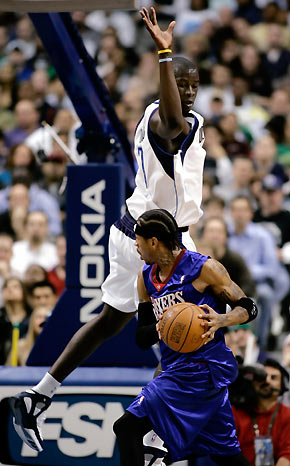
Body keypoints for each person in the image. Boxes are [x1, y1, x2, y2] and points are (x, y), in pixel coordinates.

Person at [8, 6, 206, 453]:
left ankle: (37, 396)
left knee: (108, 322)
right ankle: (156, 432)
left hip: (136, 230)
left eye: (194, 84)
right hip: (157, 241)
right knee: (191, 327)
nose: (189, 91)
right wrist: (164, 53)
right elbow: (174, 124)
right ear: (164, 83)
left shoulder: (182, 117)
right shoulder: (164, 119)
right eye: (181, 83)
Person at [113, 208, 257, 466]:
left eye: (138, 240)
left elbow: (249, 307)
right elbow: (142, 338)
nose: (135, 245)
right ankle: (159, 447)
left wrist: (222, 319)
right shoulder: (145, 279)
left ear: (154, 242)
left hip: (201, 369)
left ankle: (157, 446)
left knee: (126, 428)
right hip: (176, 368)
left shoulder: (204, 268)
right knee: (227, 457)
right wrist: (162, 325)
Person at [232, 359, 290, 466]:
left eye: (273, 378)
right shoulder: (237, 411)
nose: (267, 381)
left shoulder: (287, 415)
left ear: (282, 386)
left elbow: (287, 454)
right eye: (262, 377)